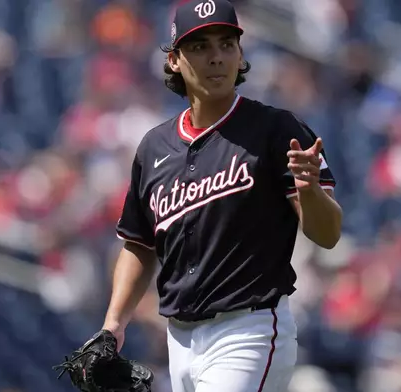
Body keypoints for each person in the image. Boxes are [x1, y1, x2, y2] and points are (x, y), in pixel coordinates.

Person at [101, 1, 343, 391]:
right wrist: (114, 323)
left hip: (248, 330)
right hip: (178, 339)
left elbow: (327, 234)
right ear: (174, 61)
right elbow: (139, 244)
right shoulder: (153, 147)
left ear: (240, 53)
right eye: (200, 47)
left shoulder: (277, 130)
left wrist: (309, 190)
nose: (216, 58)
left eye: (226, 44)